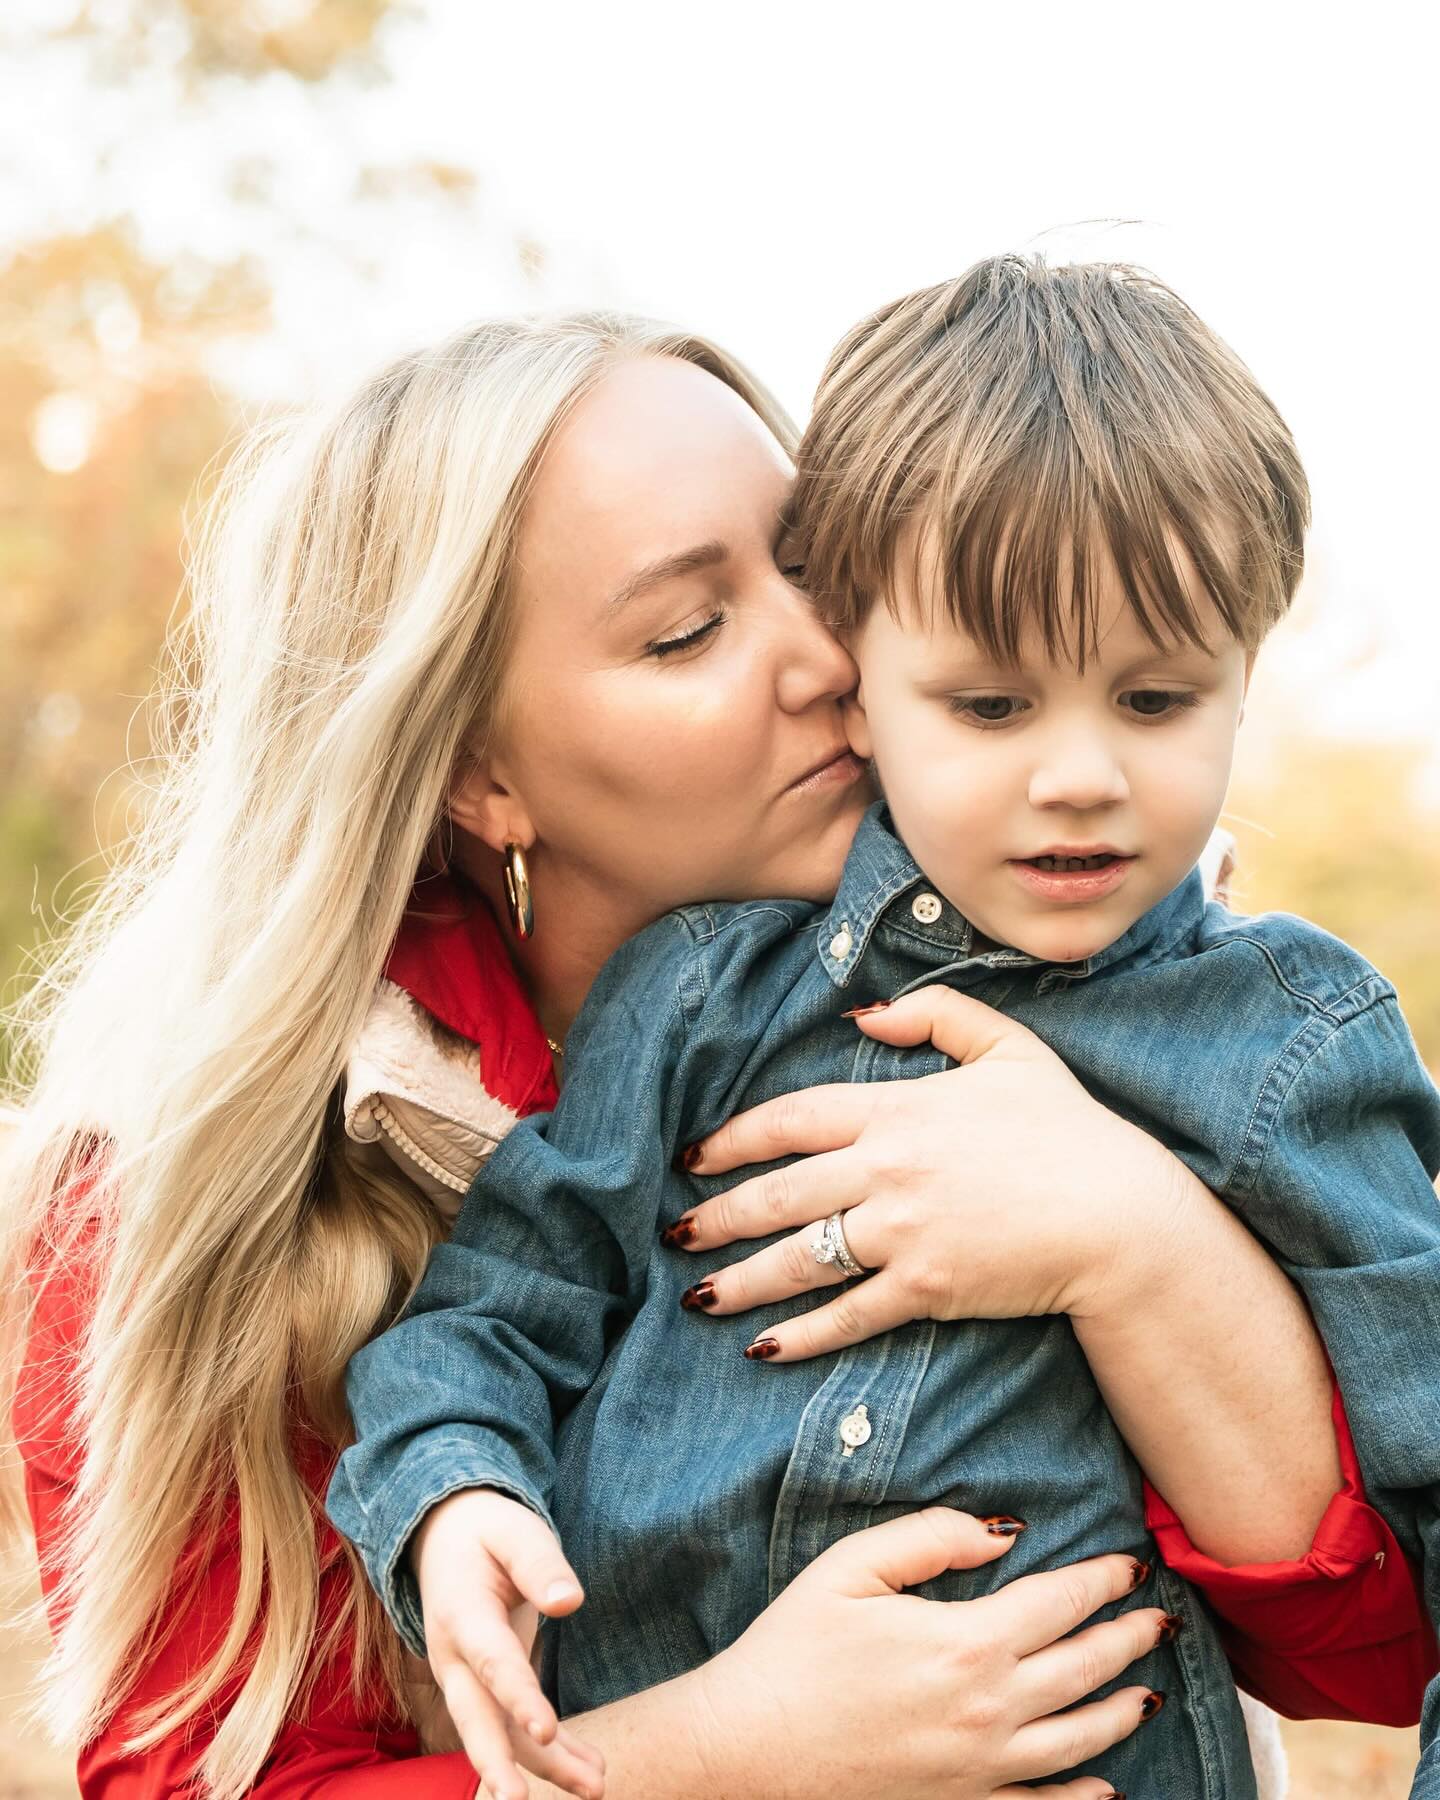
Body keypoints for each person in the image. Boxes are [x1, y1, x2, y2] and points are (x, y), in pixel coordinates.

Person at [2, 309, 1424, 1800]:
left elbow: (1369, 1660)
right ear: (478, 774)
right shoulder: (157, 1209)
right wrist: (720, 1754)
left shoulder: (1136, 998)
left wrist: (1137, 1243)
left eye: (818, 570)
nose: (828, 657)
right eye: (688, 631)